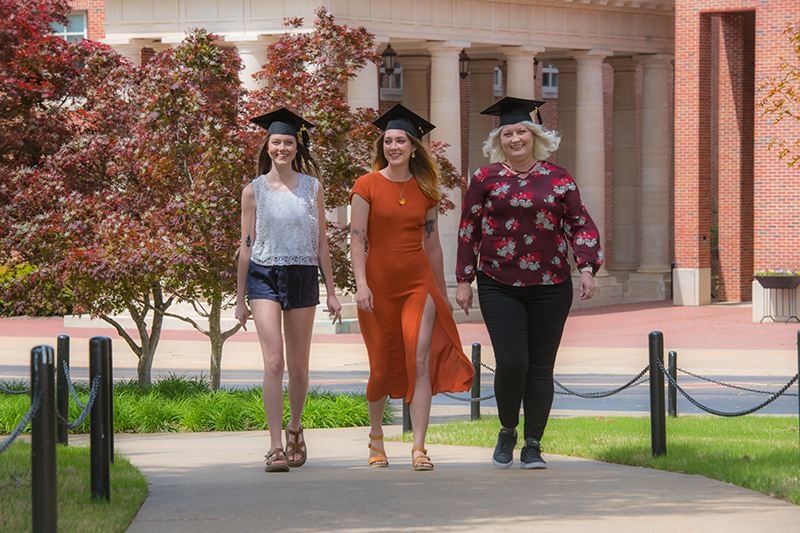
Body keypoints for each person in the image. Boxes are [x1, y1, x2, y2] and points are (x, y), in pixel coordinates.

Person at [455, 97, 603, 470]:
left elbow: (579, 223)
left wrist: (586, 268)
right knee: (511, 361)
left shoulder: (558, 177)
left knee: (540, 366)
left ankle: (533, 443)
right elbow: (468, 229)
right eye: (508, 133)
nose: (515, 138)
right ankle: (508, 429)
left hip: (551, 284)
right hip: (497, 282)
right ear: (499, 139)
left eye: (522, 131)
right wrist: (464, 279)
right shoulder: (484, 179)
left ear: (534, 136)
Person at [350, 104, 474, 471]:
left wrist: (442, 291)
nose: (393, 146)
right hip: (377, 286)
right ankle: (376, 439)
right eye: (387, 140)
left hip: (418, 284)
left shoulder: (425, 190)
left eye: (400, 140)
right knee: (382, 366)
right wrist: (360, 284)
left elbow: (432, 244)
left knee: (418, 358)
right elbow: (357, 240)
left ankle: (419, 446)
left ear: (413, 146)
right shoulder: (366, 185)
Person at [236, 108, 342, 473]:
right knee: (274, 361)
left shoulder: (313, 188)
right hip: (263, 275)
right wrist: (239, 300)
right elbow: (246, 245)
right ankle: (275, 445)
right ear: (267, 146)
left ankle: (296, 428)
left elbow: (322, 243)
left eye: (288, 143)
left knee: (298, 367)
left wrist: (331, 291)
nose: (281, 148)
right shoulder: (253, 191)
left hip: (302, 274)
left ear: (298, 147)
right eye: (275, 142)